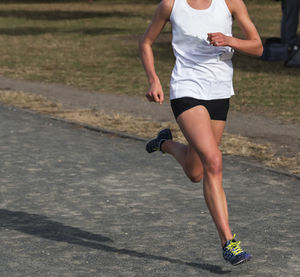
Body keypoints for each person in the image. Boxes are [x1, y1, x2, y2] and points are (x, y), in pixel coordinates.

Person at [139, 0, 263, 266]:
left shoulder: (231, 3)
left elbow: (257, 46)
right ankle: (229, 243)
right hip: (186, 89)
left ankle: (165, 144)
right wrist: (153, 80)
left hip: (219, 91)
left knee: (196, 172)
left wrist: (229, 40)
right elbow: (146, 42)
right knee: (214, 160)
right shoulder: (170, 5)